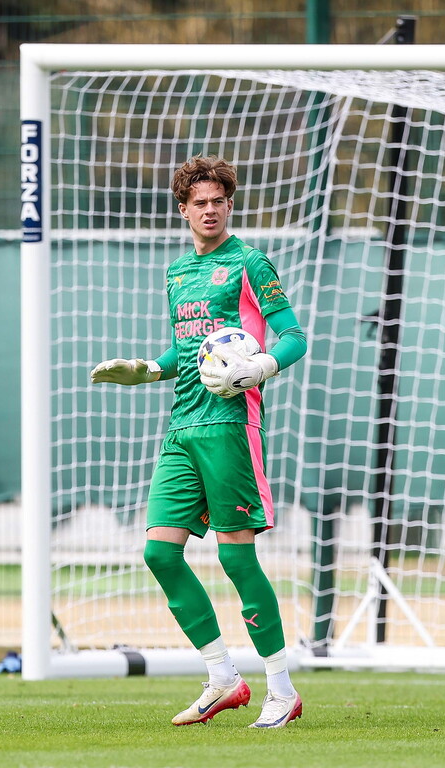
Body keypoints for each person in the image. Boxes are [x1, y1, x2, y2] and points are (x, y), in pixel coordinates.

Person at [91, 155, 308, 729]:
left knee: (237, 558)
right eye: (199, 202)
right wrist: (147, 370)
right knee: (159, 552)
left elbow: (293, 336)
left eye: (219, 201)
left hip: (231, 427)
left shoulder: (250, 263)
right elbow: (187, 353)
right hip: (181, 426)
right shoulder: (177, 273)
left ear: (229, 205)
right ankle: (222, 678)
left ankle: (281, 690)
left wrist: (261, 367)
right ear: (183, 209)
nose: (210, 210)